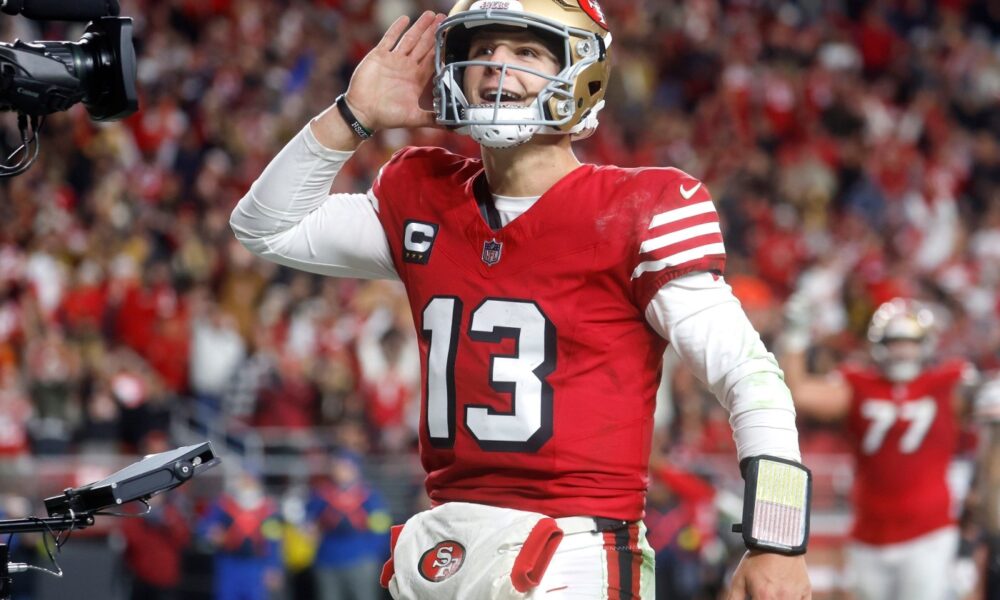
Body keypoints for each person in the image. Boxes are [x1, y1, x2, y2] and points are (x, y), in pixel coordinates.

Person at [231, 2, 811, 598]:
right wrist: (351, 116)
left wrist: (777, 539)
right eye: (482, 50)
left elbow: (749, 375)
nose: (496, 66)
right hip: (443, 546)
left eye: (526, 51)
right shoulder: (423, 193)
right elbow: (265, 227)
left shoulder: (641, 208)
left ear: (582, 73)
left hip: (573, 551)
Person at [778, 297, 974, 600]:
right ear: (879, 345)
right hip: (868, 533)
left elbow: (985, 402)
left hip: (929, 532)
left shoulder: (947, 383)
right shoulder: (858, 383)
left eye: (910, 343)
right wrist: (795, 336)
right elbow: (800, 392)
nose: (902, 351)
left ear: (926, 345)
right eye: (895, 342)